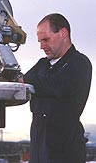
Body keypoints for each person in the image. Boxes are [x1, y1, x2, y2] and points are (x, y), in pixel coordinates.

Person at [18, 13, 92, 163]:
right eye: (40, 41)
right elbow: (21, 84)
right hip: (38, 151)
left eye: (46, 39)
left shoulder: (79, 63)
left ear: (63, 33)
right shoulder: (42, 64)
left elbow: (55, 86)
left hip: (65, 152)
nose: (42, 46)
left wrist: (25, 79)